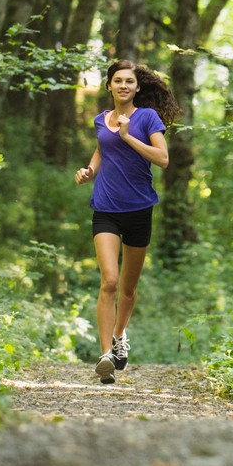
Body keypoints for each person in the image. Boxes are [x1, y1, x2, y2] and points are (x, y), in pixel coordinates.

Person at [74, 60, 180, 384]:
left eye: (129, 81)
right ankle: (105, 354)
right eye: (117, 81)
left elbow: (162, 159)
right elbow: (102, 150)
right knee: (109, 280)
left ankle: (120, 336)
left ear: (137, 88)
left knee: (129, 288)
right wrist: (89, 170)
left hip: (138, 209)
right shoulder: (100, 120)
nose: (123, 86)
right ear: (109, 86)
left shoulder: (148, 118)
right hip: (105, 207)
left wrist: (127, 136)